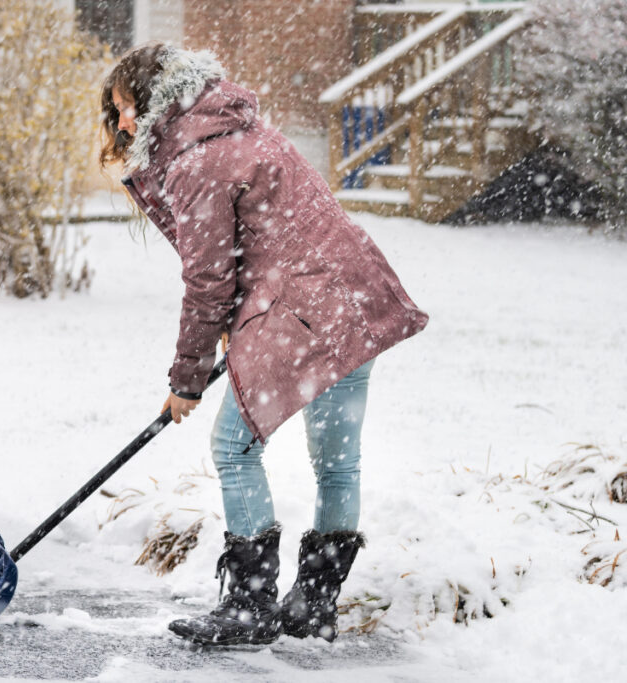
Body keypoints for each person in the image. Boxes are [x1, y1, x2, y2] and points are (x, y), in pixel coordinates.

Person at [99, 44, 429, 647]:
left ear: (155, 103)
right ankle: (312, 607)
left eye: (126, 109)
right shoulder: (244, 130)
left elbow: (208, 280)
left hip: (303, 310)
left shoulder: (199, 160)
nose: (121, 124)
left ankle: (248, 610)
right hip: (353, 299)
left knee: (232, 448)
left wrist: (185, 380)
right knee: (338, 463)